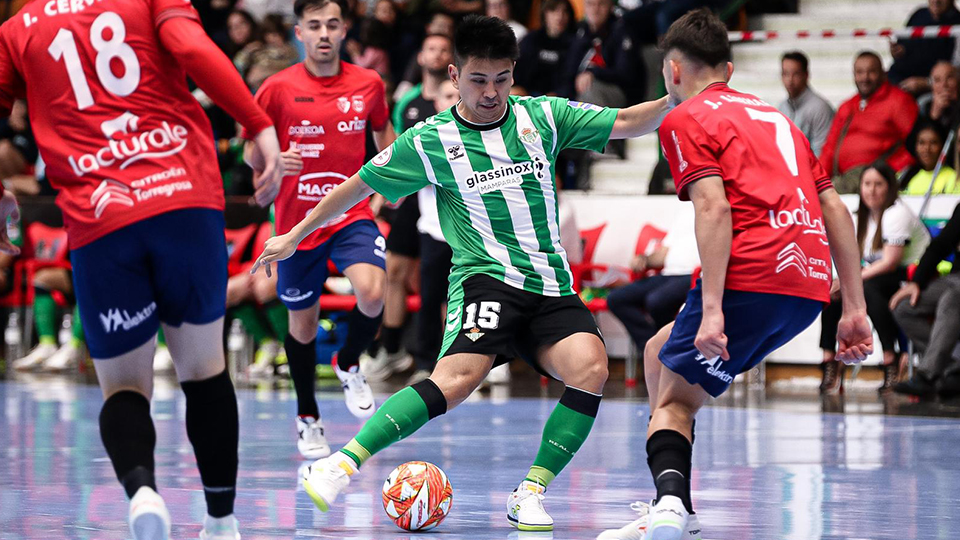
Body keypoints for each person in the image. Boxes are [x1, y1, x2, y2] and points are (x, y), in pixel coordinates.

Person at [253, 14, 673, 532]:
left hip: (549, 284)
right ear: (455, 75)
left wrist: (680, 95)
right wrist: (294, 233)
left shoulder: (542, 116)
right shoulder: (431, 139)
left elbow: (630, 121)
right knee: (456, 381)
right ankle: (340, 464)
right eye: (478, 80)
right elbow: (356, 185)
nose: (491, 92)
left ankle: (530, 492)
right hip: (486, 278)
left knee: (590, 368)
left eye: (502, 79)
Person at [0, 2, 284, 539]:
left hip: (101, 214)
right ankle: (221, 521)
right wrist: (258, 124)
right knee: (203, 370)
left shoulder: (17, 30)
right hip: (184, 196)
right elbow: (196, 50)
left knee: (124, 388)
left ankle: (143, 492)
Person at [597, 10, 873, 540]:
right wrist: (854, 309)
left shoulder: (686, 117)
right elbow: (835, 208)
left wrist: (715, 310)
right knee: (659, 352)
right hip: (809, 286)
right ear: (726, 68)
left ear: (672, 72)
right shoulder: (779, 120)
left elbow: (714, 210)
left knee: (675, 402)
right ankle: (670, 499)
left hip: (754, 274)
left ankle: (671, 511)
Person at [242, 0, 396, 459]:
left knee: (373, 292)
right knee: (302, 328)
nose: (324, 33)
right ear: (299, 33)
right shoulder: (275, 88)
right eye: (314, 26)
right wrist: (272, 159)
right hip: (295, 226)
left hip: (350, 215)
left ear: (345, 29)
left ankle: (349, 360)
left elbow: (384, 136)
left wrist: (388, 188)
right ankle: (308, 416)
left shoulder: (368, 84)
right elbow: (252, 154)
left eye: (332, 24)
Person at [364, 33, 454, 383]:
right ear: (420, 55)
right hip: (417, 203)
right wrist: (379, 197)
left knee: (449, 288)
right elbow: (392, 154)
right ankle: (394, 348)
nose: (436, 54)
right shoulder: (411, 107)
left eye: (442, 49)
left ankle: (458, 360)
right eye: (430, 47)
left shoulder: (471, 115)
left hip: (455, 218)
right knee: (400, 273)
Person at [819, 164, 930, 394]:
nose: (872, 190)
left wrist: (852, 281)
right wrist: (843, 283)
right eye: (867, 184)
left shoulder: (896, 212)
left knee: (867, 289)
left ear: (889, 188)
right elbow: (856, 260)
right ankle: (830, 359)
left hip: (911, 275)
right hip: (877, 276)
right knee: (834, 294)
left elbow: (890, 262)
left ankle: (890, 360)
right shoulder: (859, 217)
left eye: (878, 184)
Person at [819, 51, 918, 194]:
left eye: (871, 72)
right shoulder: (847, 106)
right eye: (860, 72)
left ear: (883, 74)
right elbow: (829, 149)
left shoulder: (899, 101)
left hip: (879, 184)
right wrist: (817, 181)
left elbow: (915, 144)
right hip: (844, 182)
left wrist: (886, 172)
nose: (865, 77)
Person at [607, 206, 699, 356]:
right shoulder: (686, 211)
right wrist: (645, 260)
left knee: (656, 301)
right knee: (617, 298)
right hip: (668, 274)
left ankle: (666, 349)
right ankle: (651, 347)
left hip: (695, 275)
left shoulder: (717, 210)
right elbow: (664, 252)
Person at [892, 202, 960, 399]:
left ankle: (928, 376)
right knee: (904, 307)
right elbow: (940, 245)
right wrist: (916, 282)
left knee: (953, 298)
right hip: (954, 278)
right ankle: (953, 369)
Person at [888, 0, 960, 93]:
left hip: (930, 89)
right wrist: (897, 51)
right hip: (897, 78)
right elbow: (902, 46)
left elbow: (955, 72)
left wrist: (927, 83)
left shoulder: (957, 26)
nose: (936, 1)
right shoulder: (918, 15)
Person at [777, 50, 834, 157]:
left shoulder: (820, 108)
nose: (790, 80)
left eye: (796, 74)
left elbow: (821, 155)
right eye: (785, 74)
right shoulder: (782, 107)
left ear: (806, 75)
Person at [514, 0, 576, 97]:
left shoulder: (575, 43)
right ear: (545, 14)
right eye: (554, 10)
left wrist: (557, 95)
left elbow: (571, 81)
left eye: (564, 11)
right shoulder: (531, 39)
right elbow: (517, 68)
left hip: (559, 100)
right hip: (528, 95)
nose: (560, 16)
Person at [900, 121, 960, 195]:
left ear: (942, 147)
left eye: (933, 143)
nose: (927, 149)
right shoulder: (903, 175)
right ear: (915, 146)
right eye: (922, 143)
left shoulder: (954, 178)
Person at [917, 61, 960, 131]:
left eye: (949, 78)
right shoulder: (923, 105)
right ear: (932, 86)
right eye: (937, 80)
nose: (944, 85)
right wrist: (934, 115)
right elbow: (924, 138)